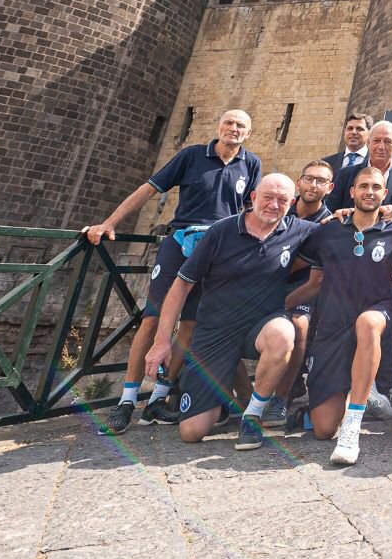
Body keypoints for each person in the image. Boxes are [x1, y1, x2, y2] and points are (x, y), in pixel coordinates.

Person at [82, 109, 261, 433]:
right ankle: (127, 400)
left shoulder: (251, 164)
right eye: (229, 123)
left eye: (241, 126)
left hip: (218, 250)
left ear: (248, 133)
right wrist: (109, 222)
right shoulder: (192, 156)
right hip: (180, 243)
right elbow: (150, 188)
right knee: (152, 319)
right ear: (219, 126)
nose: (234, 129)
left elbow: (253, 210)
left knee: (190, 324)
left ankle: (157, 399)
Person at [145, 173, 317, 449]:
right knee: (191, 431)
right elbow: (181, 285)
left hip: (260, 326)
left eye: (282, 200)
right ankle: (223, 400)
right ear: (253, 198)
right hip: (216, 332)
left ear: (292, 204)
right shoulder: (221, 231)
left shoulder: (299, 230)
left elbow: (341, 231)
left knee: (284, 333)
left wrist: (361, 214)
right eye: (268, 197)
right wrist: (162, 341)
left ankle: (253, 415)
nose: (274, 205)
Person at [286, 167, 392, 465]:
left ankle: (353, 422)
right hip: (332, 324)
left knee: (367, 323)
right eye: (363, 186)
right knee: (324, 429)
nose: (370, 192)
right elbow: (293, 267)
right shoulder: (328, 230)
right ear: (352, 192)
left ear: (385, 194)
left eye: (376, 187)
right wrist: (278, 302)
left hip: (375, 311)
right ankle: (365, 392)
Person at [271, 159, 337, 427]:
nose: (313, 185)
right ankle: (238, 396)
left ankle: (281, 398)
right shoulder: (278, 207)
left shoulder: (329, 223)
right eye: (309, 178)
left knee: (299, 325)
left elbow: (303, 269)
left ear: (330, 188)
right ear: (299, 182)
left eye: (321, 181)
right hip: (264, 280)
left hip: (302, 286)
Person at [330, 120, 392, 218]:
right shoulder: (346, 174)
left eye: (388, 142)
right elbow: (331, 210)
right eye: (376, 141)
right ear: (368, 143)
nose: (381, 147)